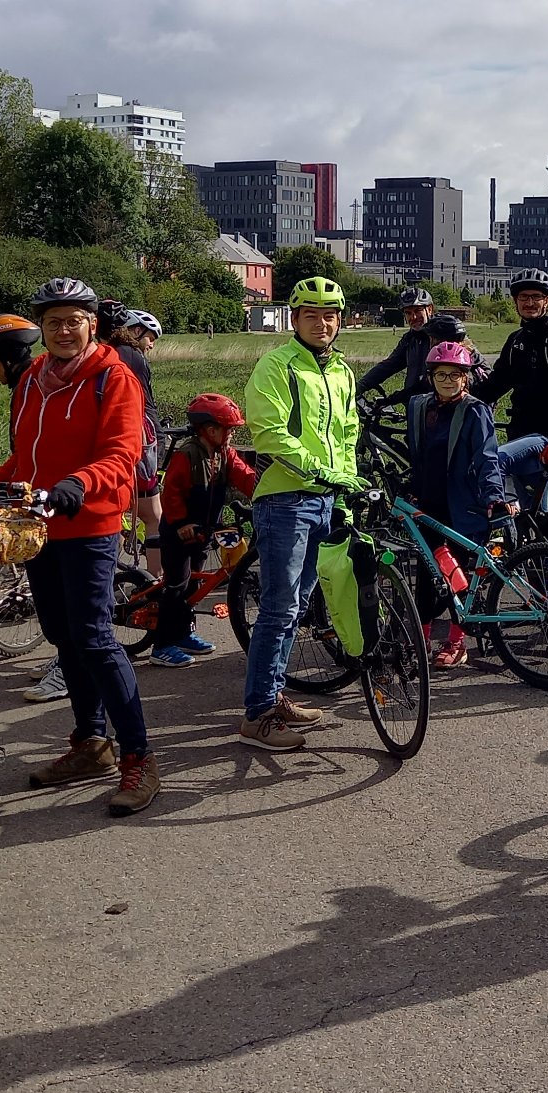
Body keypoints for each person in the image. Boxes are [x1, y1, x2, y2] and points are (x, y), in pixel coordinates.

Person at [0, 277, 159, 816]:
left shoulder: (113, 377)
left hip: (89, 523)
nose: (63, 330)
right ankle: (90, 743)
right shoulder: (34, 378)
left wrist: (78, 485)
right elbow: (24, 458)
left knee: (93, 637)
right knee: (62, 635)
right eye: (53, 322)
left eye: (74, 320)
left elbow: (122, 453)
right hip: (41, 526)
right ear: (40, 329)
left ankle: (139, 758)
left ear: (92, 324)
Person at [239, 276, 360, 752]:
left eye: (330, 314)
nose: (322, 323)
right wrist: (321, 473)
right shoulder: (277, 365)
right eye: (311, 314)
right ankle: (257, 716)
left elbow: (347, 435)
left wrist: (344, 488)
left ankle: (273, 697)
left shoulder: (341, 372)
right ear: (295, 319)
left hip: (326, 499)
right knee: (279, 608)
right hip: (286, 499)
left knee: (299, 606)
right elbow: (268, 434)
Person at [0, 314, 71, 705]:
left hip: (61, 500)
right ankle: (65, 658)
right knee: (48, 594)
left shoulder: (32, 384)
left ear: (6, 358)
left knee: (64, 598)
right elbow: (24, 453)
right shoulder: (28, 383)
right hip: (39, 494)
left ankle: (70, 668)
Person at [406, 340, 515, 668]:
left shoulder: (474, 411)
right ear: (430, 377)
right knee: (426, 576)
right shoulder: (422, 408)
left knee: (456, 577)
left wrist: (495, 498)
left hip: (463, 507)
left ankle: (457, 642)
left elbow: (487, 459)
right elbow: (419, 456)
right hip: (427, 505)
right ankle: (422, 639)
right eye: (441, 375)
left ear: (467, 378)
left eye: (456, 375)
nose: (449, 381)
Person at [148, 392, 259, 668]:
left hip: (204, 530)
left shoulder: (224, 454)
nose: (231, 435)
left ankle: (184, 633)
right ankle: (162, 645)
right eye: (229, 430)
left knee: (195, 587)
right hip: (179, 531)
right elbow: (170, 494)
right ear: (210, 430)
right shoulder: (187, 456)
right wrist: (182, 523)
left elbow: (245, 477)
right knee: (177, 586)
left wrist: (265, 493)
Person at [474, 269, 548, 512]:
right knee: (533, 509)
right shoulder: (516, 340)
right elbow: (497, 383)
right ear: (515, 301)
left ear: (547, 300)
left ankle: (492, 515)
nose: (530, 302)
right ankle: (542, 545)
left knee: (495, 461)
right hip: (520, 430)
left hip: (547, 434)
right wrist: (459, 399)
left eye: (536, 297)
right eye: (523, 297)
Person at [100, 302, 165, 582]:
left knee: (110, 511)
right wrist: (159, 439)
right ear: (135, 330)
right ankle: (154, 581)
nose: (150, 345)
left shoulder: (96, 355)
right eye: (150, 337)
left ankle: (103, 575)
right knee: (154, 516)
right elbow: (146, 405)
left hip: (102, 445)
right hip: (136, 444)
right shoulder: (132, 357)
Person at [358, 286, 472, 399]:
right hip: (418, 407)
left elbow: (430, 382)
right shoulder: (410, 339)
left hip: (443, 406)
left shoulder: (445, 334)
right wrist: (360, 386)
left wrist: (397, 397)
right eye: (408, 313)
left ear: (430, 309)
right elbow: (389, 365)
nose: (413, 317)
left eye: (418, 311)